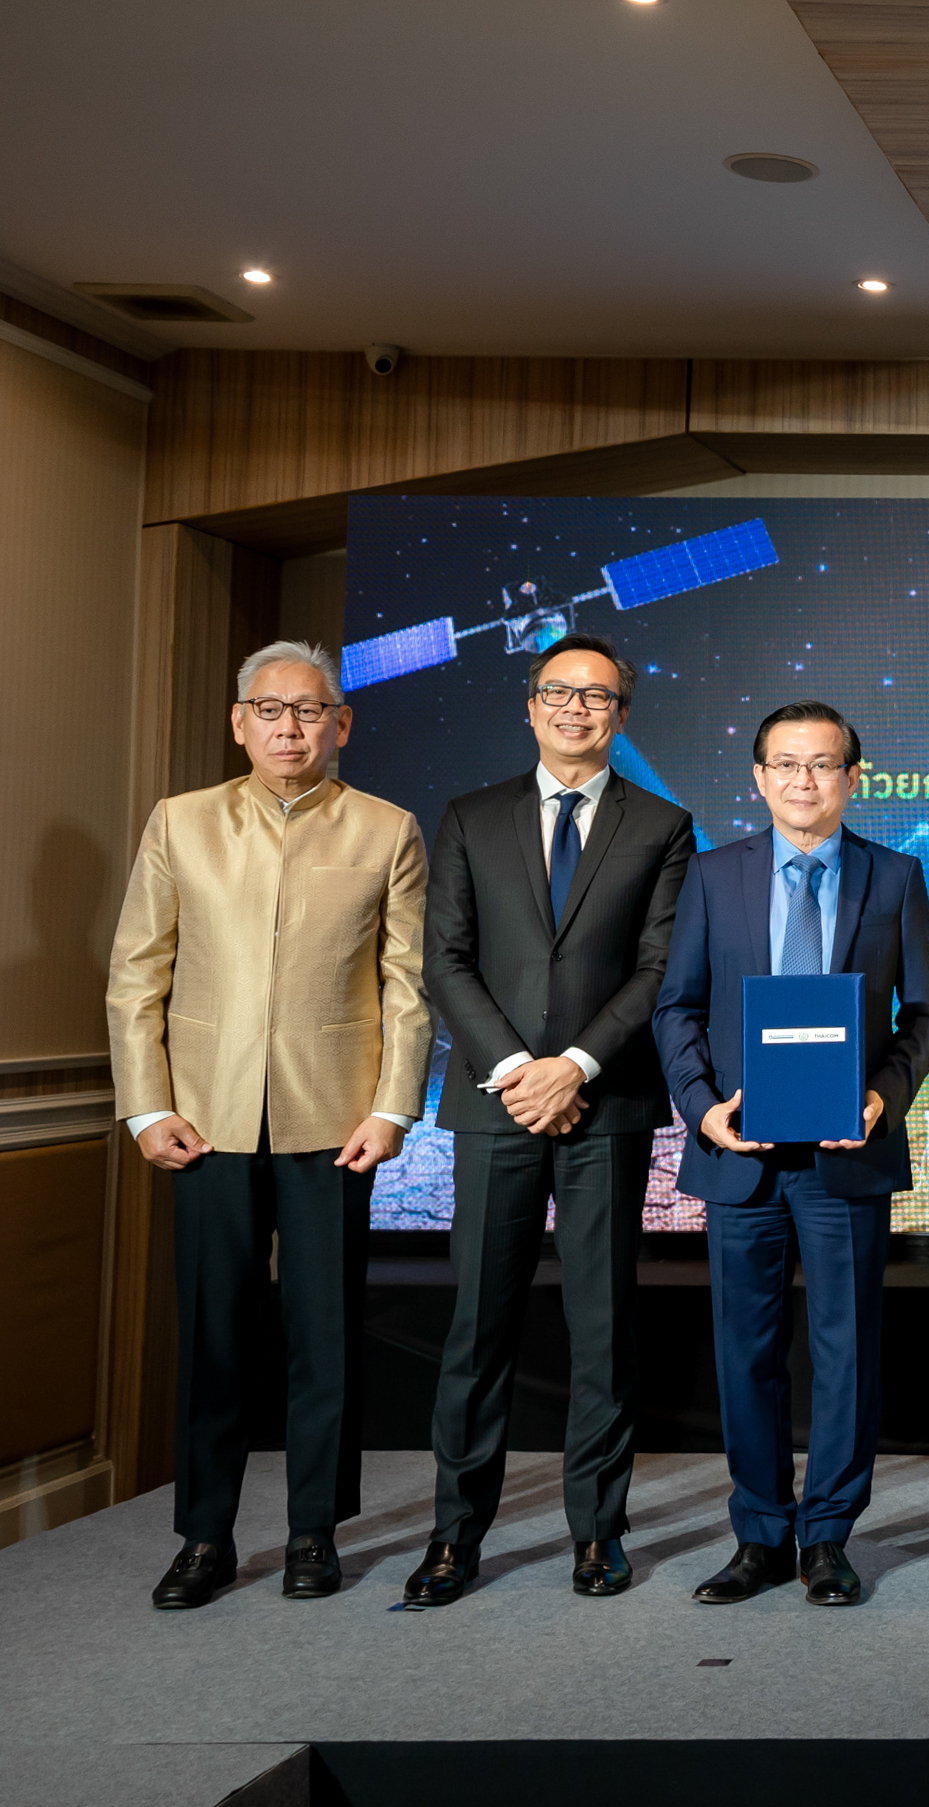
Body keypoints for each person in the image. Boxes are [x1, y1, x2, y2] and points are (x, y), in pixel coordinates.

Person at [109, 639, 433, 1610]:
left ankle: (312, 1531)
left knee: (323, 1333)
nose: (289, 727)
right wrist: (147, 1105)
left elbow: (407, 983)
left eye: (309, 709)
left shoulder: (387, 829)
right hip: (203, 1118)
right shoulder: (181, 821)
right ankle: (204, 1535)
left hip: (335, 1118)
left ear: (342, 724)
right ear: (239, 722)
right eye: (270, 709)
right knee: (213, 1333)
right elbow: (138, 972)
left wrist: (393, 1106)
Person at [404, 635, 696, 1607]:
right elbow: (446, 958)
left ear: (622, 713)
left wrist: (573, 1066)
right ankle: (454, 1537)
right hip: (495, 1104)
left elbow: (659, 966)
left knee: (602, 1329)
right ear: (530, 707)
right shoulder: (470, 815)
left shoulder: (663, 824)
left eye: (597, 696)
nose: (577, 708)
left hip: (605, 1101)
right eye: (558, 693)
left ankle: (597, 1533)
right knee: (477, 1328)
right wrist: (517, 1070)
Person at [652, 700, 929, 1608]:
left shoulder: (895, 877)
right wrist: (702, 1111)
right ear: (758, 778)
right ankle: (759, 1535)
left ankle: (828, 1537)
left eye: (822, 764)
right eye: (785, 764)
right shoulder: (712, 875)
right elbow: (676, 1007)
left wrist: (882, 1096)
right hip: (740, 1155)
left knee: (844, 1351)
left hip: (845, 1155)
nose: (803, 780)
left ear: (852, 778)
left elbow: (922, 1015)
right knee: (746, 1352)